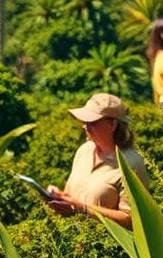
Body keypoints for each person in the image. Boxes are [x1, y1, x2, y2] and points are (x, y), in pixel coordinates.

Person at [46, 93, 149, 229]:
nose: (85, 127)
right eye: (84, 122)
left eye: (91, 122)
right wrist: (58, 196)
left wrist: (84, 208)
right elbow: (71, 196)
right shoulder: (84, 151)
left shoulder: (132, 163)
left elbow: (132, 220)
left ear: (113, 124)